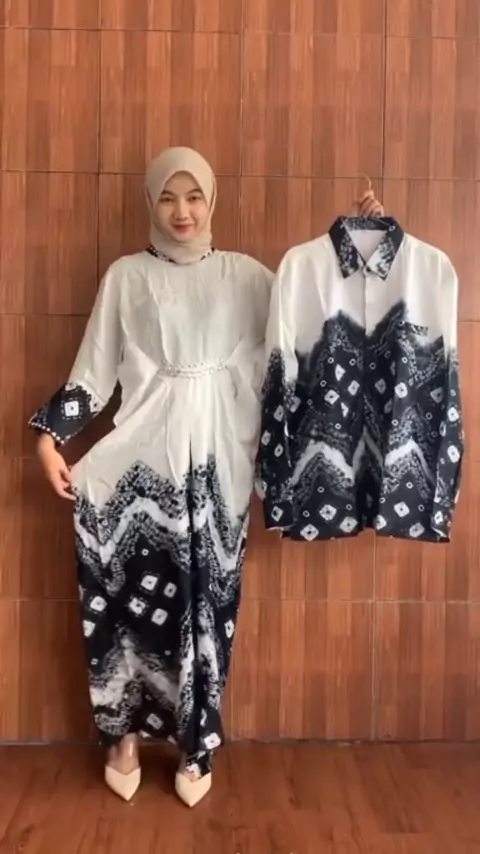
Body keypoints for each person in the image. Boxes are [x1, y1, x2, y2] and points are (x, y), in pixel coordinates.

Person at [29, 147, 273, 807]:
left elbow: (306, 327)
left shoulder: (249, 278)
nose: (181, 211)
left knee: (209, 606)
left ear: (212, 201)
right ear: (151, 203)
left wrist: (358, 246)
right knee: (125, 598)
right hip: (140, 470)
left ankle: (197, 742)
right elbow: (93, 371)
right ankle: (123, 737)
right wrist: (49, 438)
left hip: (217, 470)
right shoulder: (127, 277)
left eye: (193, 196)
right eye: (167, 197)